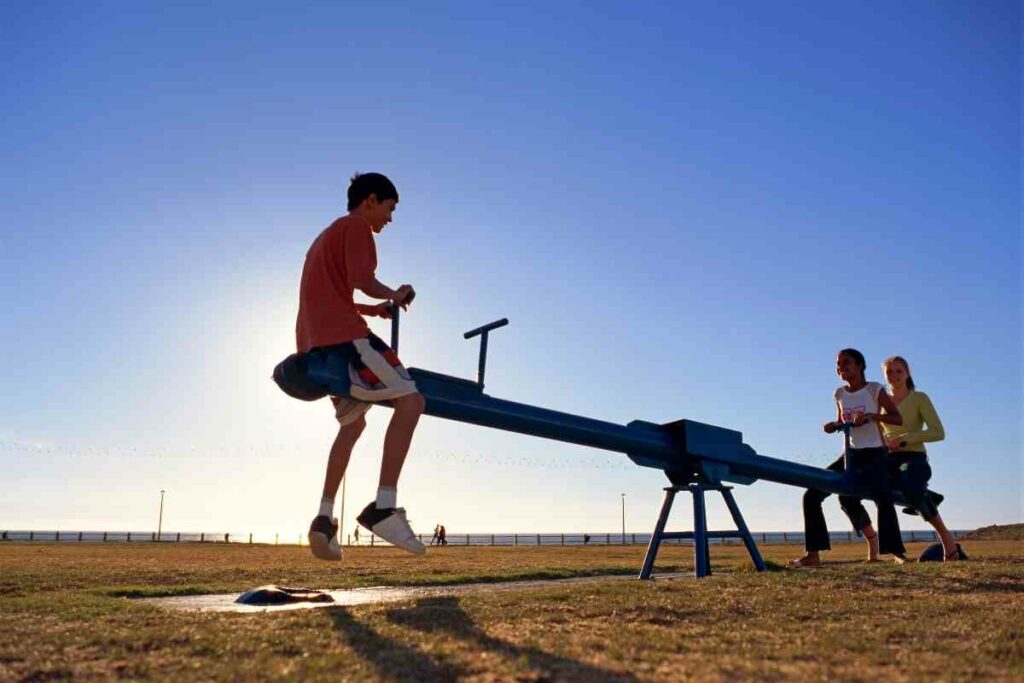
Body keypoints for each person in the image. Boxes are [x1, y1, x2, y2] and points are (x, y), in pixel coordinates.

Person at [298, 172, 427, 561]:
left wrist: (374, 309)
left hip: (314, 345)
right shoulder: (357, 227)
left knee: (353, 426)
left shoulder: (324, 238)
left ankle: (323, 518)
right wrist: (394, 294)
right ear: (371, 200)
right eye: (389, 208)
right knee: (412, 401)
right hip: (345, 339)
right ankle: (384, 507)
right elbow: (361, 278)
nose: (390, 218)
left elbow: (333, 291)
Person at [790, 348, 906, 568]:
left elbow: (896, 418)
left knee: (882, 496)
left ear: (860, 365)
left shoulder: (874, 389)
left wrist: (872, 416)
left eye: (846, 363)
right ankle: (812, 554)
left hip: (875, 454)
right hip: (851, 455)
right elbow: (842, 421)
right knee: (812, 494)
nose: (841, 367)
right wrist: (833, 425)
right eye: (838, 364)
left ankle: (896, 552)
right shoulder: (839, 394)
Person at [881, 356, 964, 561]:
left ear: (908, 373)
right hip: (887, 458)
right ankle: (897, 553)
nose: (894, 375)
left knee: (912, 488)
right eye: (889, 371)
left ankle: (947, 541)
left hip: (914, 457)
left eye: (899, 371)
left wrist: (905, 439)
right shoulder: (880, 401)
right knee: (876, 489)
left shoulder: (919, 398)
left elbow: (938, 432)